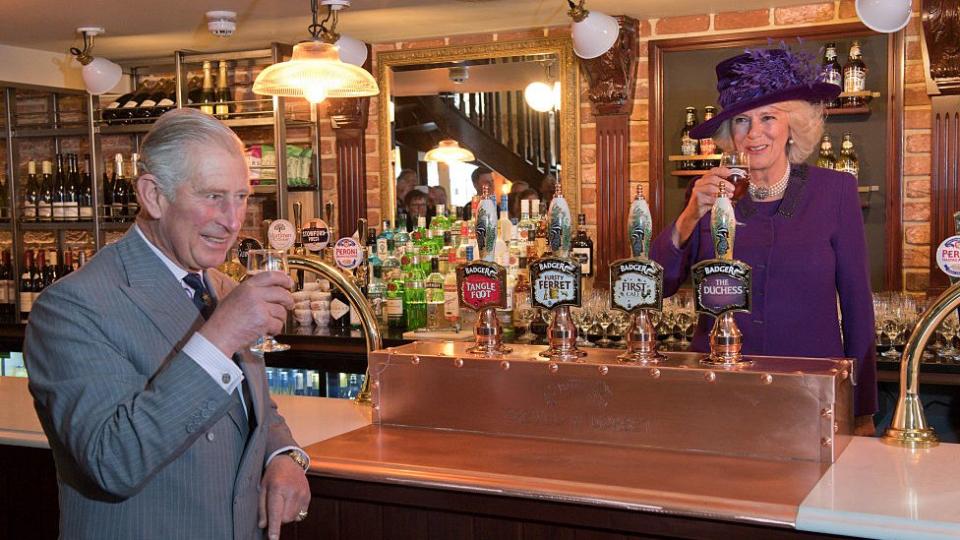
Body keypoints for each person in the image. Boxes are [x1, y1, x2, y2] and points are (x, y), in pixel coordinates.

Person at [24, 108, 311, 539]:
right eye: (212, 196)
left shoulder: (219, 286)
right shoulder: (71, 306)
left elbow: (252, 408)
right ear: (152, 195)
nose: (233, 221)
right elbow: (112, 462)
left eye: (241, 197)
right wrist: (221, 334)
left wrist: (283, 455)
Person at [650, 46, 877, 436]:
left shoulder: (835, 191)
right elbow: (654, 287)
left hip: (811, 394)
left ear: (793, 125)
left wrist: (861, 410)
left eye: (768, 117)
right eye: (741, 121)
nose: (754, 133)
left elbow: (857, 305)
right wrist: (689, 216)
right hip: (718, 392)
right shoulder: (707, 193)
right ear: (729, 134)